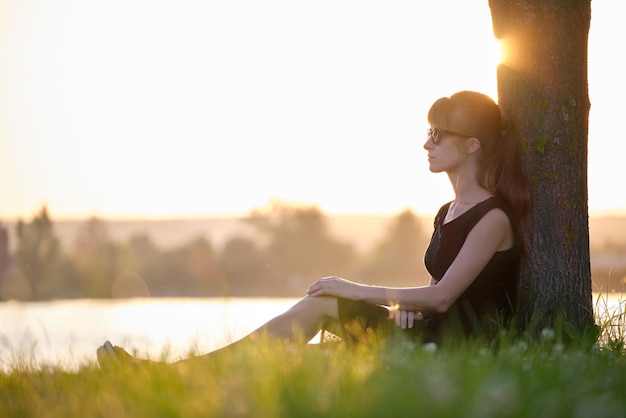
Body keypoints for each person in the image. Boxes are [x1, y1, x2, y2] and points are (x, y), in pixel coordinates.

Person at [97, 90, 529, 367]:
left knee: (325, 304)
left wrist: (352, 289)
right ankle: (182, 378)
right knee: (314, 356)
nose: (426, 144)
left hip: (457, 351)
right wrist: (401, 310)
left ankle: (170, 374)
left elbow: (442, 296)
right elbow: (434, 291)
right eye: (427, 133)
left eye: (437, 134)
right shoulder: (448, 210)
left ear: (472, 145)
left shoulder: (492, 218)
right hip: (425, 333)